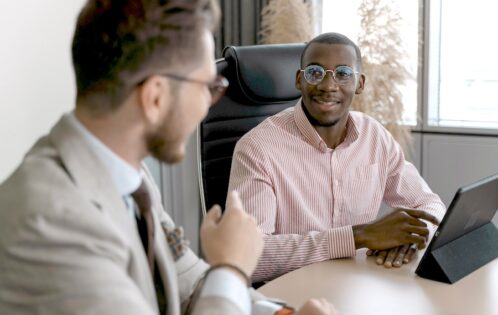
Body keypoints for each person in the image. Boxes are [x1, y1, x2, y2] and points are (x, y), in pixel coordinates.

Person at [0, 1, 336, 314]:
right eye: (207, 87)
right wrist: (232, 267)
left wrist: (280, 313)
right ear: (156, 97)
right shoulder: (48, 222)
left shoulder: (132, 177)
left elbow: (188, 280)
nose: (208, 104)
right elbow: (219, 284)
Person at [228, 32, 446, 283]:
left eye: (343, 73)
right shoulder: (257, 147)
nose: (328, 86)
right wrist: (358, 236)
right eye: (315, 72)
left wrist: (410, 238)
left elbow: (431, 206)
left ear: (360, 84)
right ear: (300, 80)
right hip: (295, 293)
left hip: (360, 285)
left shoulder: (374, 136)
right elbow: (249, 256)